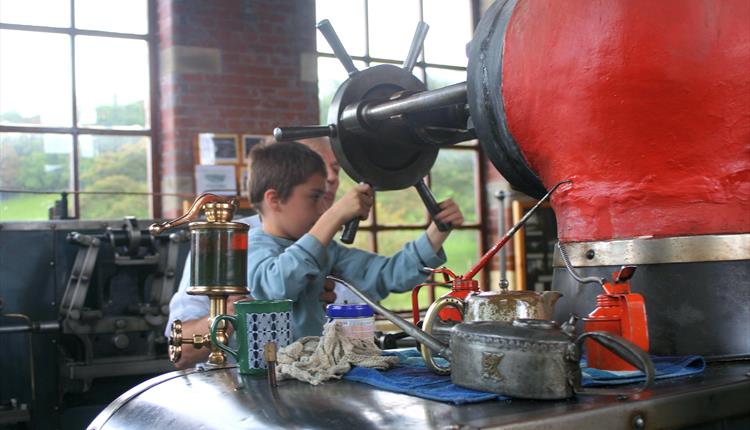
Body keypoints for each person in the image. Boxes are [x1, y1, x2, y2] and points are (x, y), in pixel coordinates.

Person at [247, 141, 464, 339]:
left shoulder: (327, 250)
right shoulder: (250, 248)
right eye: (314, 197)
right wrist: (332, 217)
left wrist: (435, 234)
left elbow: (384, 275)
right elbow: (274, 290)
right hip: (268, 377)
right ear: (274, 199)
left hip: (312, 370)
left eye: (324, 199)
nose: (323, 208)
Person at [165, 137, 340, 369]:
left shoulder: (328, 246)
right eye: (313, 167)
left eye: (336, 168)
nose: (330, 177)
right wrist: (231, 315)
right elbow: (181, 353)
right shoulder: (224, 244)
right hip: (237, 392)